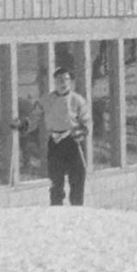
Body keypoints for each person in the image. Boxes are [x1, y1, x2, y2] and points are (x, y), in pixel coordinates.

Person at [38, 66, 91, 204]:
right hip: (55, 142)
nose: (63, 83)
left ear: (71, 82)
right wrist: (23, 124)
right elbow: (34, 116)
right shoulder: (47, 99)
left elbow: (86, 120)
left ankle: (77, 207)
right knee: (56, 178)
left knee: (77, 176)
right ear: (55, 82)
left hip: (72, 141)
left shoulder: (77, 100)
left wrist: (82, 130)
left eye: (66, 79)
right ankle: (56, 207)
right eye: (59, 80)